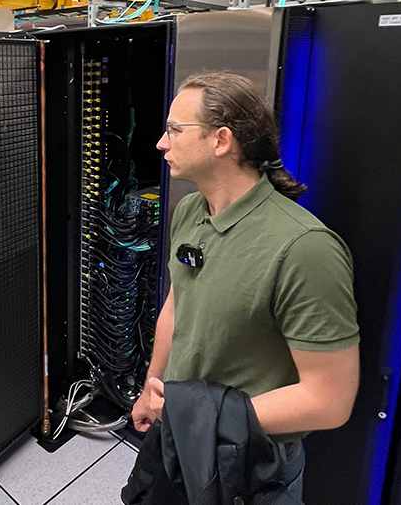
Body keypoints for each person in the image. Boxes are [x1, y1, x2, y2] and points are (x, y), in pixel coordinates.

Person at [130, 72, 360, 499]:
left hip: (253, 460)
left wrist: (203, 418)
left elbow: (330, 399)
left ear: (221, 141)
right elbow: (177, 306)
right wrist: (152, 386)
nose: (162, 143)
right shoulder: (190, 210)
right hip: (180, 433)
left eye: (174, 131)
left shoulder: (304, 249)